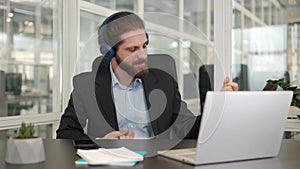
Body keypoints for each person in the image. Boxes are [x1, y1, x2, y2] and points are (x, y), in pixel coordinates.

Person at [56, 11, 238, 140]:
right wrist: (100, 144)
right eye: (133, 49)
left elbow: (187, 128)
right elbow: (65, 133)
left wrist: (218, 105)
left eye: (145, 45)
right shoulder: (85, 86)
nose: (142, 55)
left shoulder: (165, 82)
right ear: (110, 52)